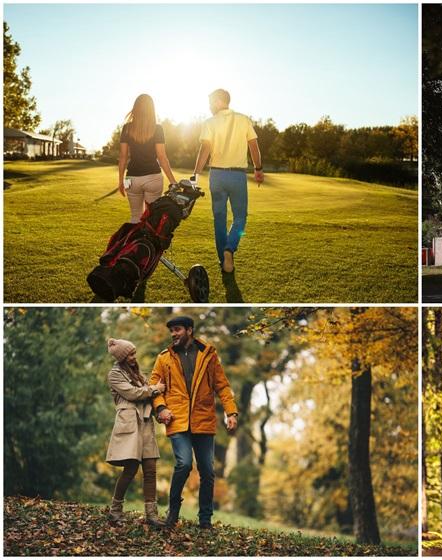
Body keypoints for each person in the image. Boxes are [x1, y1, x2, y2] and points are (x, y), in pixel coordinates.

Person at [149, 316, 238, 529]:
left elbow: (222, 386)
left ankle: (205, 520)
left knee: (207, 470)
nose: (173, 334)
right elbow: (153, 386)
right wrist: (161, 407)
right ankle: (173, 512)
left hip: (204, 419)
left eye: (177, 329)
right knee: (184, 464)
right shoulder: (164, 359)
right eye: (171, 330)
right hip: (177, 420)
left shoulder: (208, 355)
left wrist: (231, 412)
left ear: (190, 330)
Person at [192, 89, 264, 273]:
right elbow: (254, 146)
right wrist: (258, 169)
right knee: (240, 218)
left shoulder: (209, 123)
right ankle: (229, 249)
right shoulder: (243, 119)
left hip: (217, 176)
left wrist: (195, 174)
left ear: (218, 101)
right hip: (237, 176)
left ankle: (223, 260)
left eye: (210, 102)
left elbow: (204, 150)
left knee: (219, 219)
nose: (209, 106)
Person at [105, 337, 167, 527]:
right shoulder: (114, 375)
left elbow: (145, 397)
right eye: (130, 354)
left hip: (146, 425)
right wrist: (155, 389)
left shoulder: (138, 374)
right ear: (122, 357)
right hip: (130, 426)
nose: (134, 357)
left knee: (150, 470)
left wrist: (159, 411)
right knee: (130, 470)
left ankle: (152, 515)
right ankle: (115, 511)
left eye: (134, 353)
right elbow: (133, 394)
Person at [117, 94, 179, 223]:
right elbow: (162, 157)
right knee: (151, 219)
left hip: (130, 179)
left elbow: (123, 157)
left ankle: (136, 243)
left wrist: (120, 181)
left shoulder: (126, 128)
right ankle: (148, 243)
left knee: (135, 217)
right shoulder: (158, 129)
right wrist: (173, 182)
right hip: (153, 178)